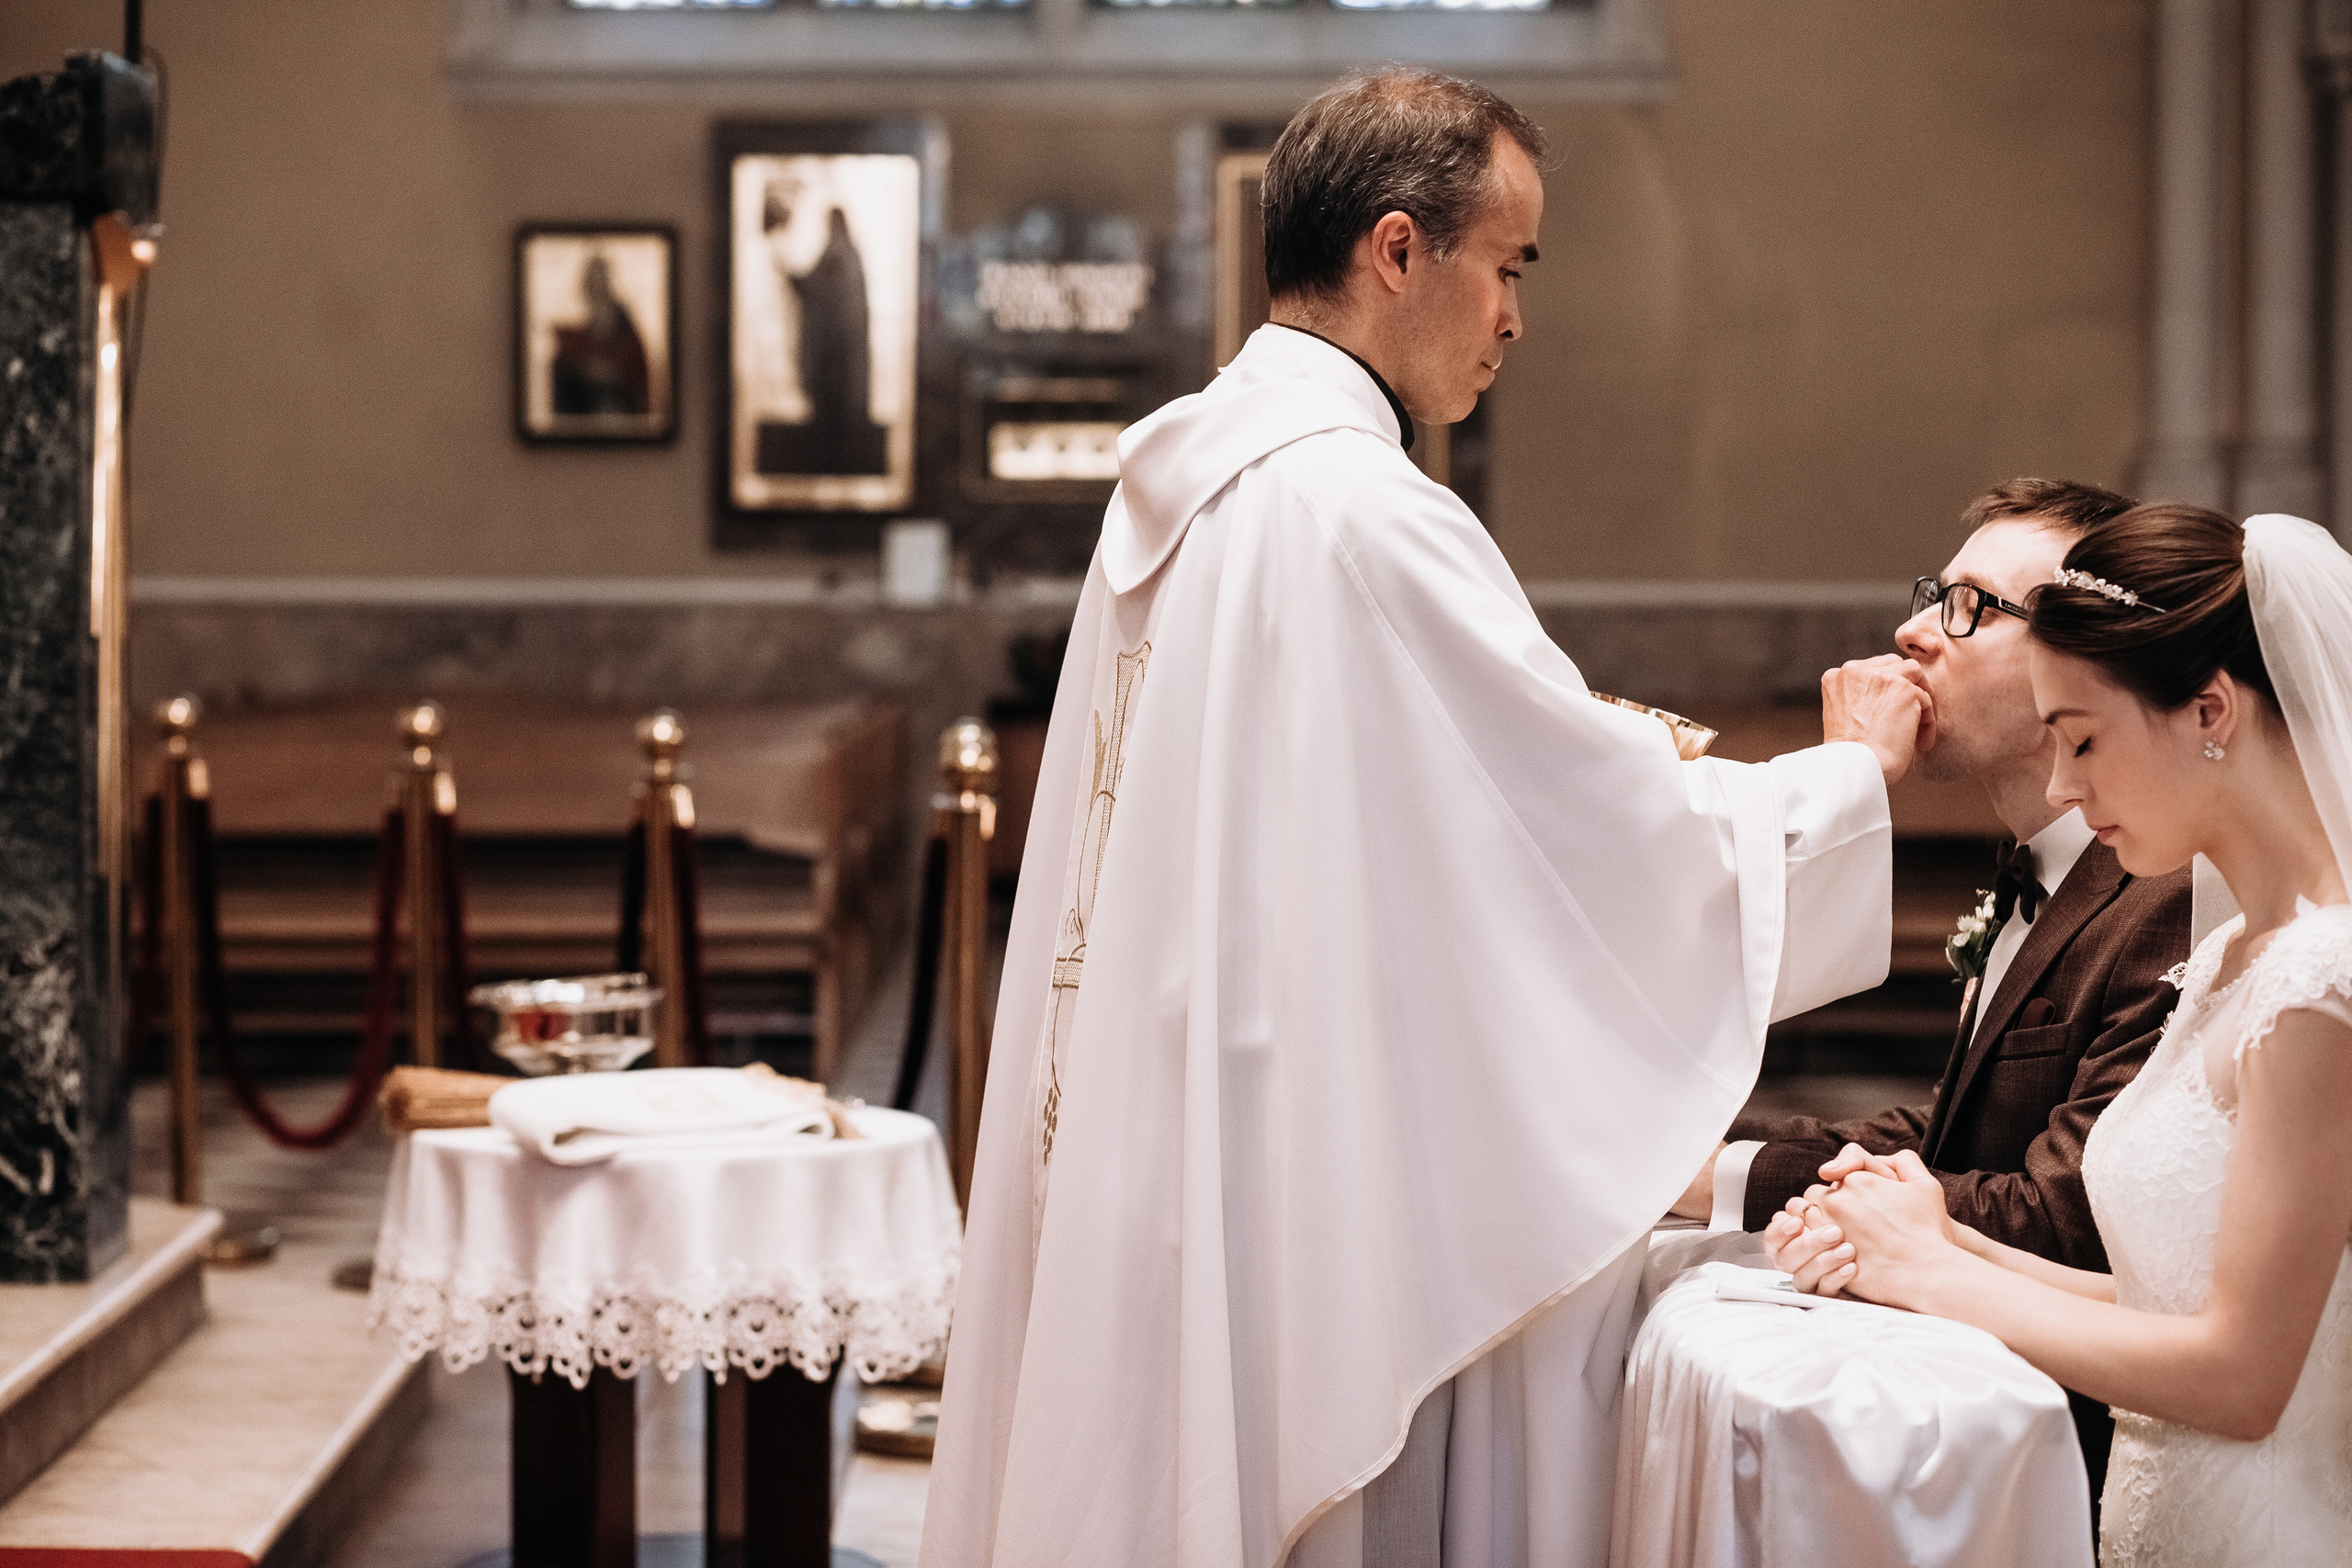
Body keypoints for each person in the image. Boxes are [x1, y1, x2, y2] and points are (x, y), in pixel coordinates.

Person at [921, 69, 1928, 1568]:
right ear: (1401, 250)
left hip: (1181, 1120)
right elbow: (1569, 836)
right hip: (1293, 1164)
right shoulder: (1356, 507)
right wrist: (1846, 781)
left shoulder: (1192, 486)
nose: (1516, 314)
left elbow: (1446, 791)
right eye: (1508, 264)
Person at [1768, 506, 2352, 1565]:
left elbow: (2243, 1376)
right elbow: (2161, 1295)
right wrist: (1942, 1237)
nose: (2061, 785)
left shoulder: (2321, 986)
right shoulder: (2225, 963)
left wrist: (1941, 1281)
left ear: (2208, 710)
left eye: (2081, 738)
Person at [1670, 477, 2192, 1504]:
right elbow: (1956, 1135)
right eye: (1929, 594)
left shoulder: (2166, 897)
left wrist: (1770, 1195)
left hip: (2072, 1459)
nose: (1913, 633)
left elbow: (2070, 1217)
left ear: (2087, 654)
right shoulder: (2047, 871)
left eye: (1970, 609)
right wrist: (1716, 1171)